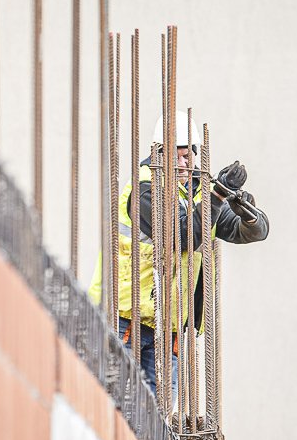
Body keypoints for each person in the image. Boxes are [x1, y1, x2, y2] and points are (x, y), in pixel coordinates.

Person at [88, 111, 269, 395]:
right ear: (159, 154)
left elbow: (254, 231)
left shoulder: (199, 195)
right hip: (124, 319)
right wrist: (217, 196)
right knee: (115, 403)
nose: (186, 164)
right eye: (179, 156)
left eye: (189, 156)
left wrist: (247, 213)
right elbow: (183, 235)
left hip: (166, 326)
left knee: (157, 414)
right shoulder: (145, 190)